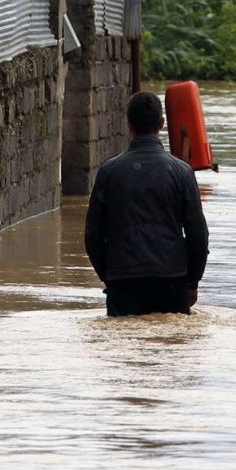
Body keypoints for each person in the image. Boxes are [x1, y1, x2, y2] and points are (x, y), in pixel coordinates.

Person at [85, 91, 209, 317]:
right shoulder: (182, 172)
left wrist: (109, 275)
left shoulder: (108, 172)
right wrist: (192, 281)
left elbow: (93, 234)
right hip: (171, 278)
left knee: (124, 346)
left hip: (123, 278)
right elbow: (197, 234)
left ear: (129, 125)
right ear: (161, 124)